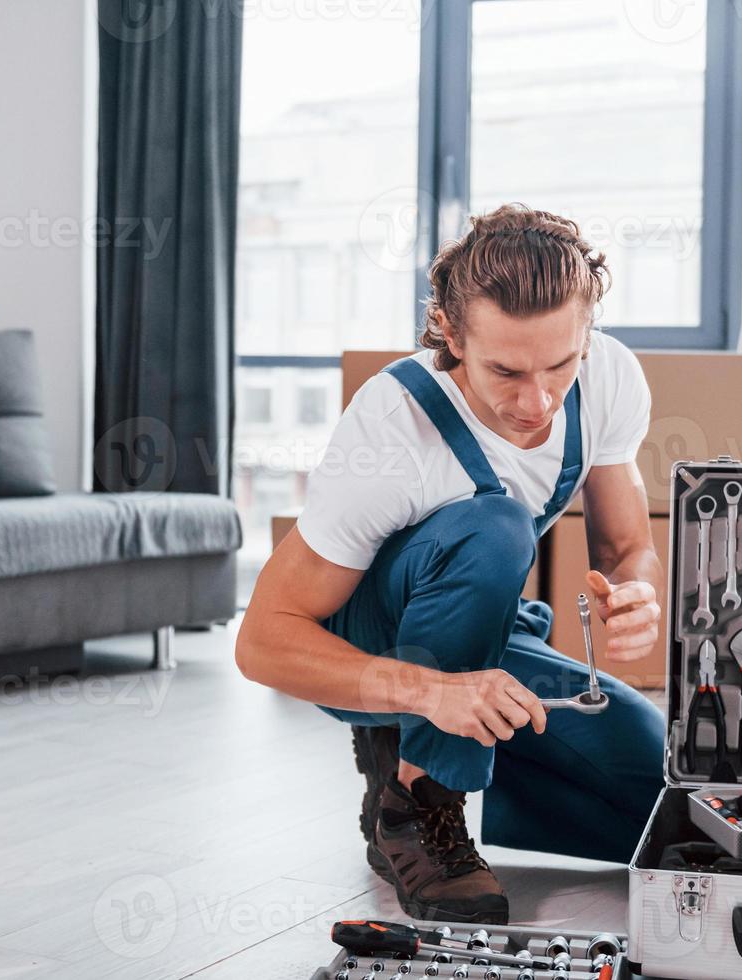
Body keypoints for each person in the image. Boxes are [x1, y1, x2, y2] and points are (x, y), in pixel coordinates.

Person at [237, 204, 667, 924]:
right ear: (448, 330)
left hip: (486, 636)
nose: (537, 401)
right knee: (495, 528)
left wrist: (637, 596)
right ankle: (420, 807)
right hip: (371, 638)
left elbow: (628, 549)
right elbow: (263, 641)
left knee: (658, 799)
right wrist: (430, 693)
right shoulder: (390, 429)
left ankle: (413, 759)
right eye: (505, 370)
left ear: (588, 332)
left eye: (561, 365)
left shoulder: (612, 378)